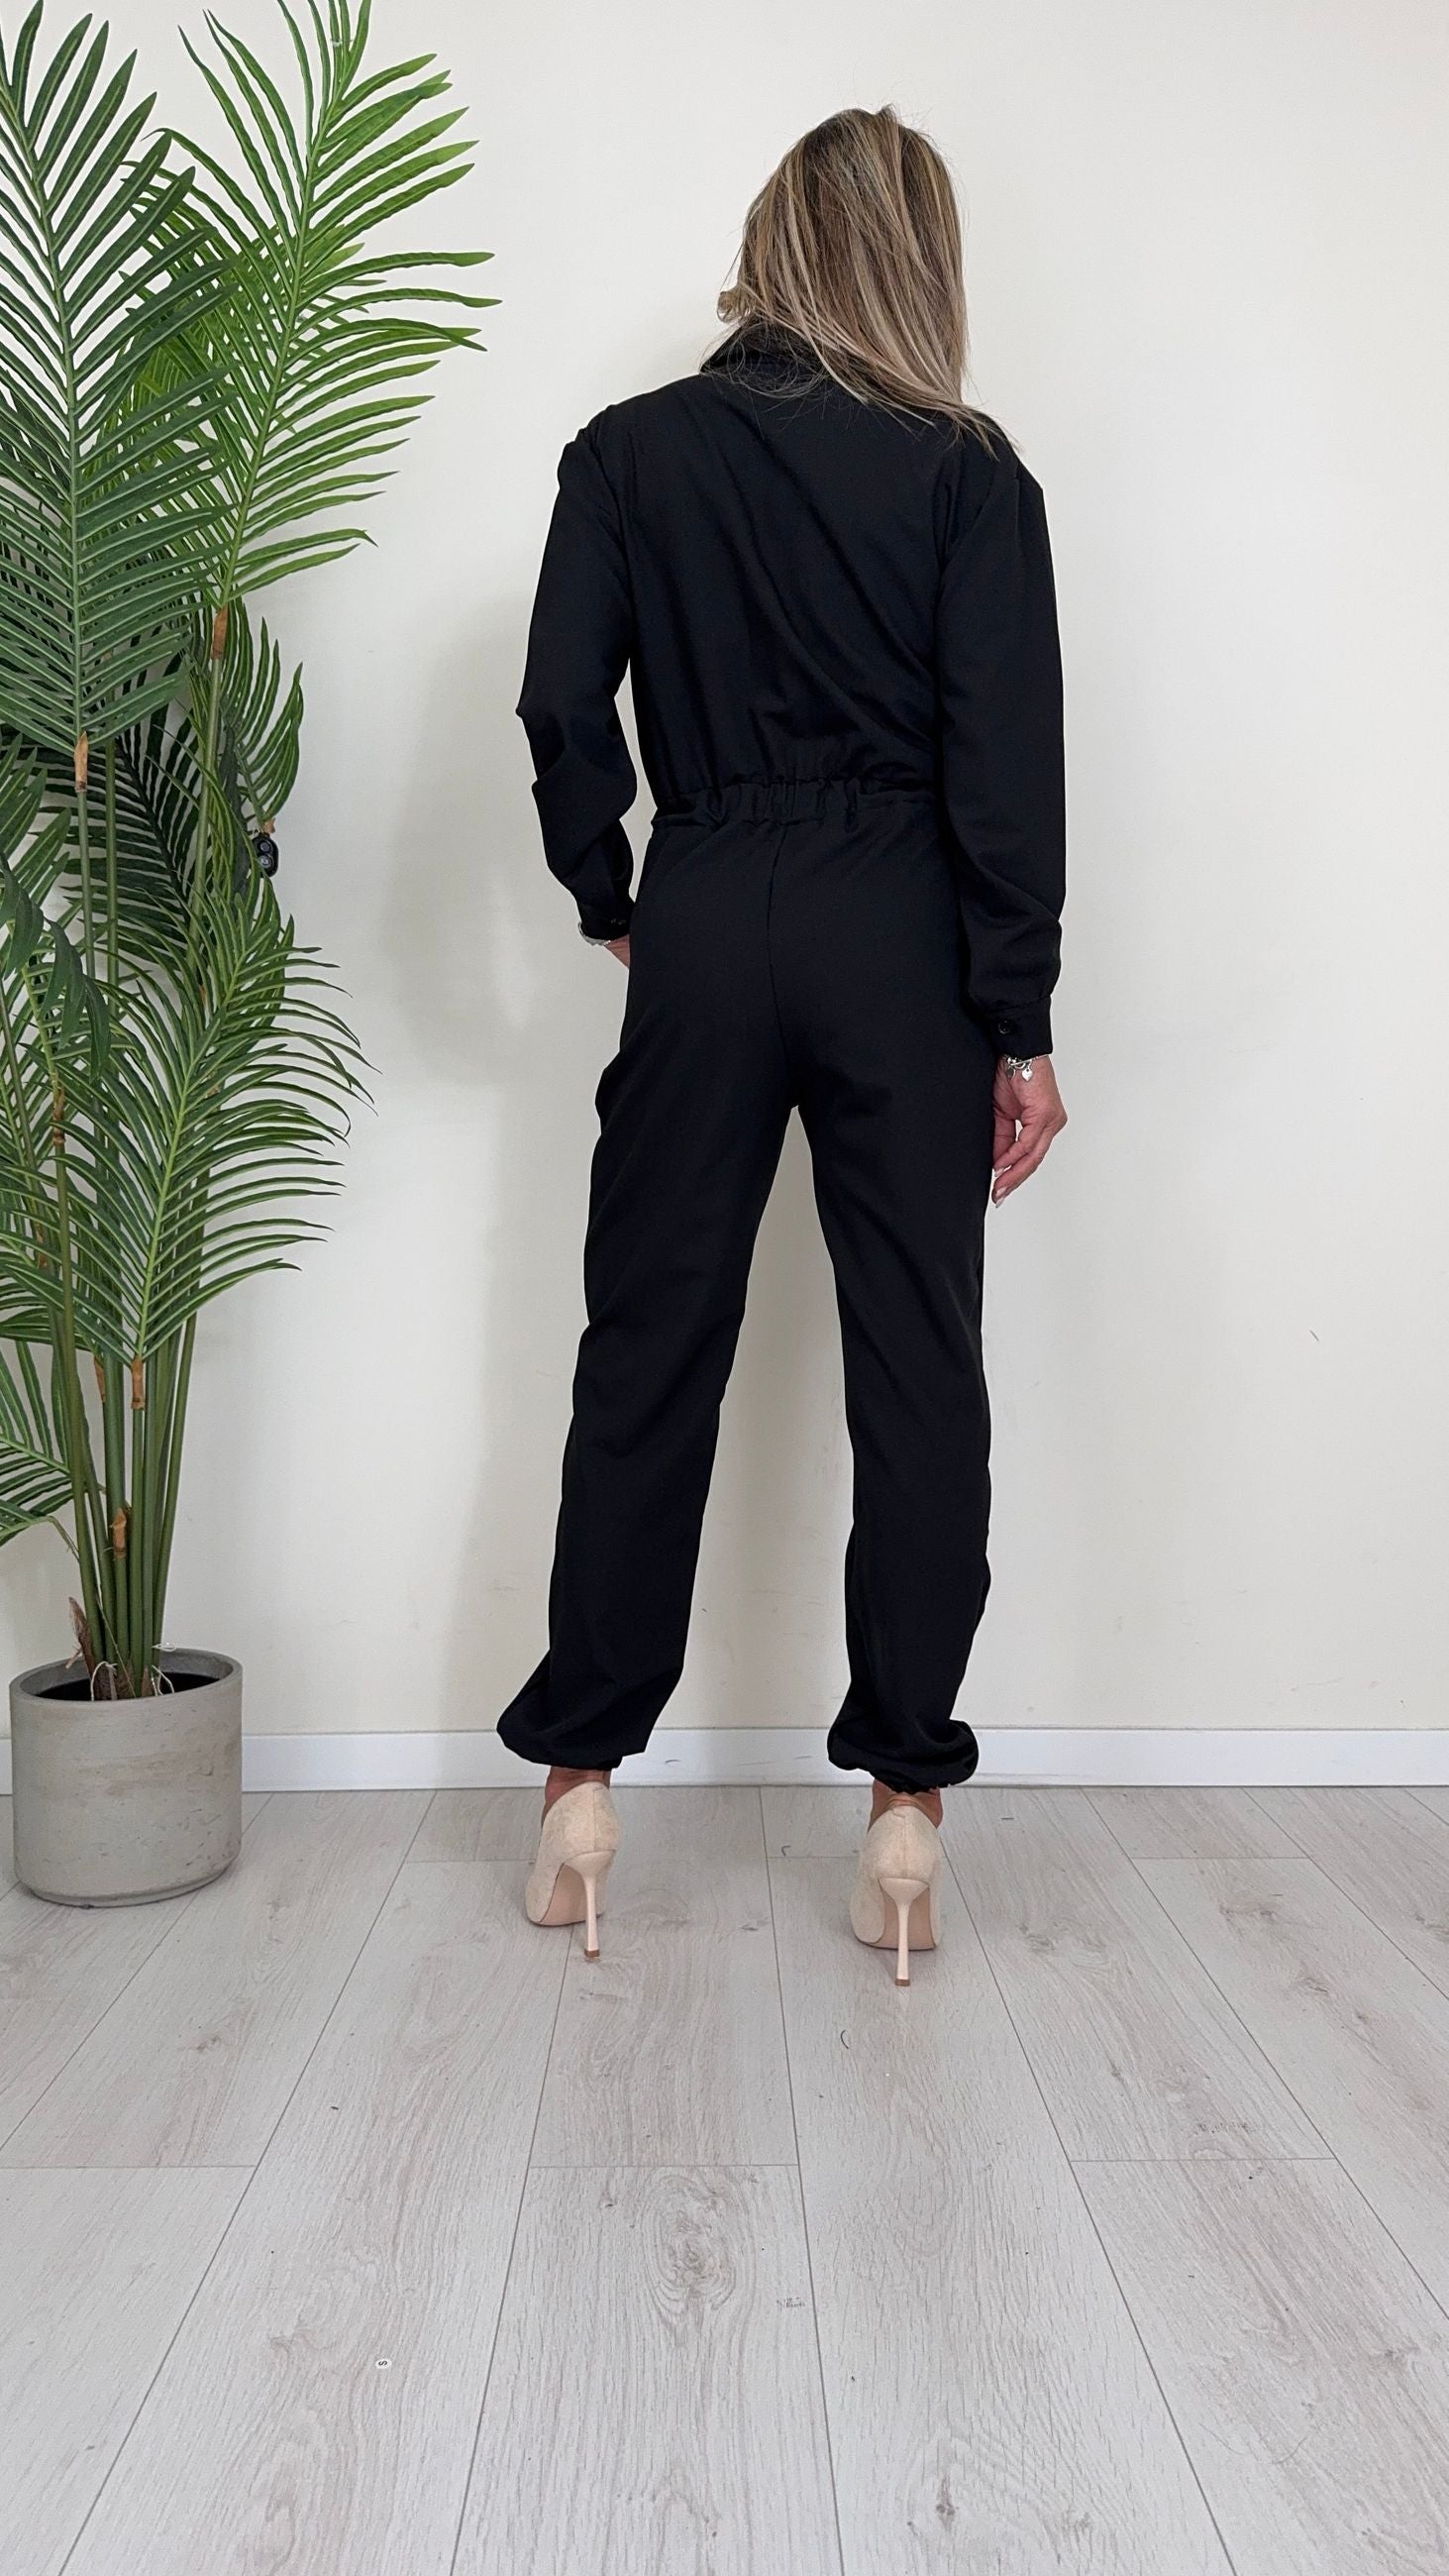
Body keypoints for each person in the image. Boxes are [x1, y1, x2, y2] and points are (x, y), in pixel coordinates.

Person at [498, 105, 1068, 1985]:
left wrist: (614, 891)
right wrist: (1018, 1020)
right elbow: (1005, 767)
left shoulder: (629, 451)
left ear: (770, 242)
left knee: (648, 1341)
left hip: (711, 898)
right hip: (904, 927)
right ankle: (904, 1809)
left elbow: (561, 702)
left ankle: (582, 1786)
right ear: (917, 259)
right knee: (919, 1365)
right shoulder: (968, 473)